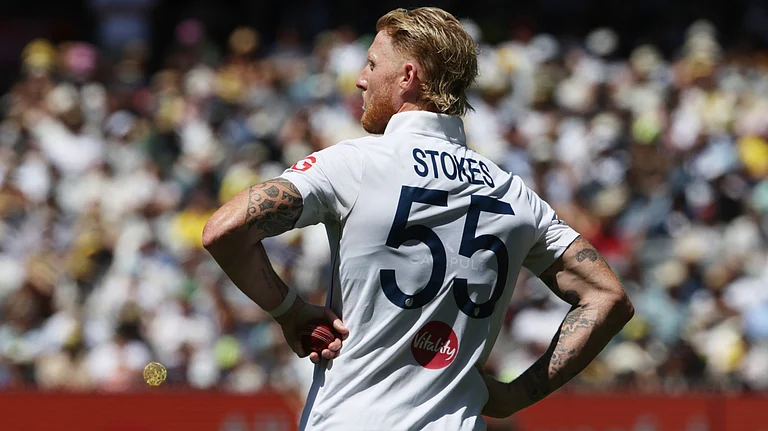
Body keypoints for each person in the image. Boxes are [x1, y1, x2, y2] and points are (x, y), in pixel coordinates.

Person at [202, 7, 634, 430]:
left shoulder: (354, 163)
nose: (360, 80)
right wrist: (516, 395)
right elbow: (607, 298)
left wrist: (290, 312)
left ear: (408, 77)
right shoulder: (513, 193)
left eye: (372, 64)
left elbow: (224, 229)